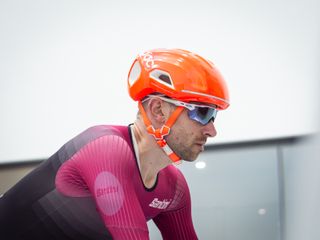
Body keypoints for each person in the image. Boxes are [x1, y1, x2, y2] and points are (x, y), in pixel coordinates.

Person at [0, 48, 229, 239]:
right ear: (158, 109)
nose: (212, 130)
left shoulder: (174, 188)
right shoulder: (106, 148)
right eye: (202, 113)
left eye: (214, 116)